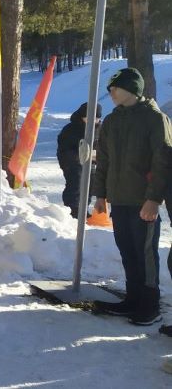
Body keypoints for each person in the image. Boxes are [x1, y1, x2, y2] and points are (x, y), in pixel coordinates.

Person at [91, 67, 172, 325]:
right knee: (127, 251)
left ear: (132, 89)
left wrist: (153, 199)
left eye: (116, 88)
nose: (111, 93)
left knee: (145, 253)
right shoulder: (113, 121)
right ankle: (133, 299)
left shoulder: (154, 118)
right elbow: (103, 160)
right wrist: (100, 194)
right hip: (119, 198)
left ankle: (150, 305)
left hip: (143, 200)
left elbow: (162, 162)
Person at [56, 102, 102, 218]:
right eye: (89, 118)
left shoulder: (100, 129)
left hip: (92, 163)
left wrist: (97, 156)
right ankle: (73, 210)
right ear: (82, 116)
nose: (93, 122)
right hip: (72, 163)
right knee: (76, 184)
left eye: (96, 119)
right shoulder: (71, 129)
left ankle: (84, 209)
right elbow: (64, 148)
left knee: (90, 186)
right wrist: (78, 156)